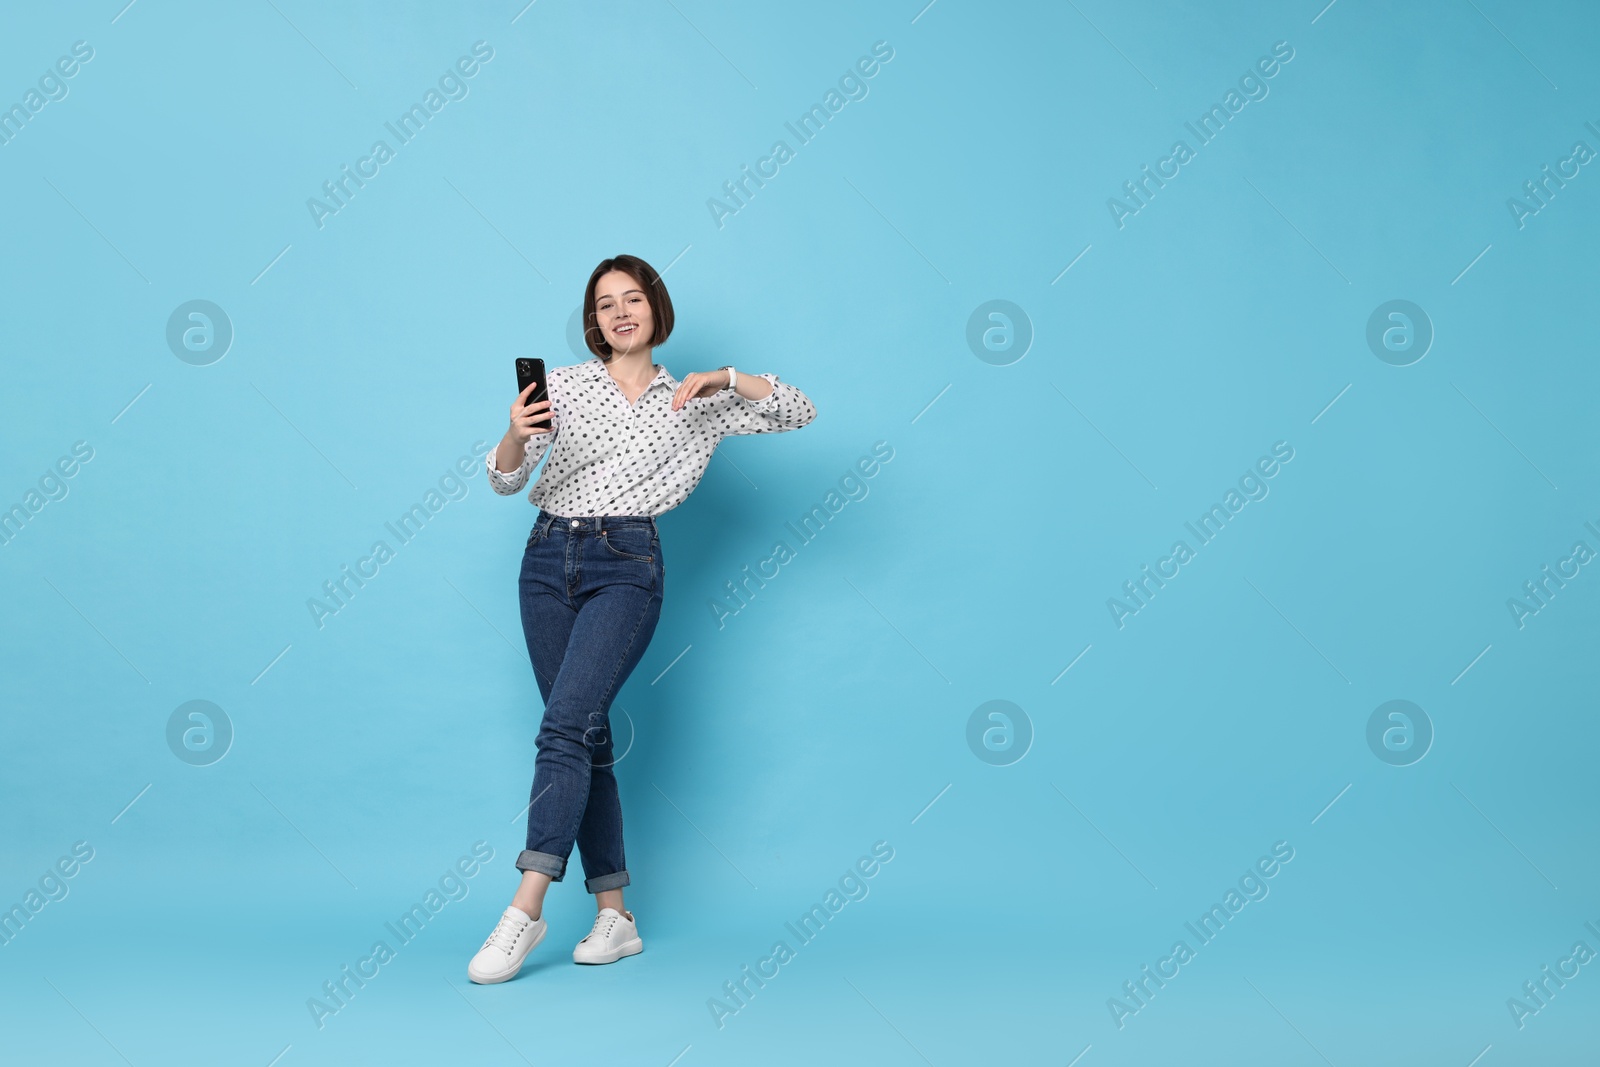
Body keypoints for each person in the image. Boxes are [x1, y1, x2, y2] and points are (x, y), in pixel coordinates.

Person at [467, 254, 817, 983]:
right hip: (544, 560)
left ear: (656, 309)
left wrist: (722, 377)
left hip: (627, 564)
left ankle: (525, 906)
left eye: (633, 299)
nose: (620, 312)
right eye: (605, 304)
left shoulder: (693, 398)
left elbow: (798, 409)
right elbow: (506, 479)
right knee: (585, 732)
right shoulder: (562, 386)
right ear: (592, 322)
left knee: (564, 725)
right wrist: (512, 431)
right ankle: (615, 915)